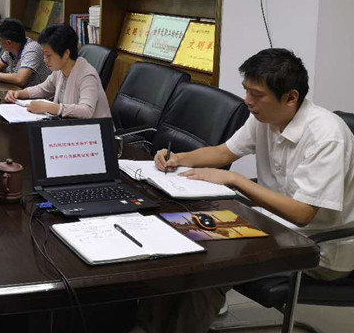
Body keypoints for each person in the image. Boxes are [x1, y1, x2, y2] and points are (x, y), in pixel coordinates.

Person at [134, 49, 354, 333]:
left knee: (210, 267)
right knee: (179, 241)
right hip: (272, 226)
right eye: (246, 91)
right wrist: (178, 158)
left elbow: (303, 214)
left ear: (290, 98)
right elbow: (224, 152)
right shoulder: (265, 118)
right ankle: (150, 325)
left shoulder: (327, 137)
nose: (247, 101)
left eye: (257, 95)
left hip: (319, 247)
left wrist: (235, 180)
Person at [5, 24, 110, 118]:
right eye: (44, 54)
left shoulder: (87, 75)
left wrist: (49, 107)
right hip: (68, 126)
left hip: (93, 131)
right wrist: (19, 93)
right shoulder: (60, 70)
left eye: (48, 55)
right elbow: (43, 89)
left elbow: (86, 111)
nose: (45, 60)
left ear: (66, 54)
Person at [0, 18, 50, 87]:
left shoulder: (32, 49)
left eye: (0, 41)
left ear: (8, 42)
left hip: (38, 96)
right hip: (19, 92)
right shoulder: (11, 49)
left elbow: (20, 79)